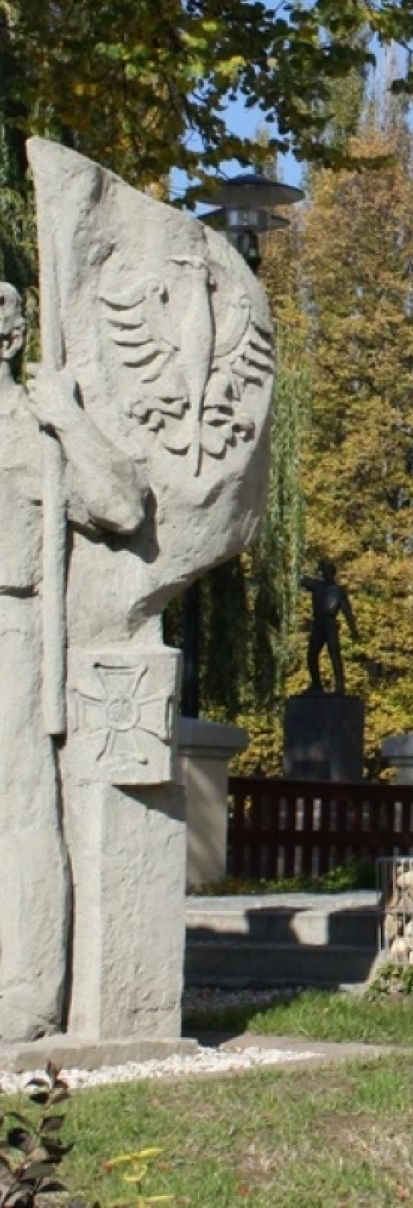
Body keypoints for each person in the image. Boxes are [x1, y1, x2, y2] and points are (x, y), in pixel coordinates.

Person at [0, 282, 145, 1041]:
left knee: (18, 808)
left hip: (10, 625)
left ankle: (24, 991)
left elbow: (122, 508)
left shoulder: (32, 428)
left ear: (7, 336)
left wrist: (66, 415)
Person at [301, 559, 358, 695]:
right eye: (323, 571)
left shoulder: (338, 591)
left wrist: (353, 629)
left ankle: (340, 685)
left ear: (332, 573)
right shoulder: (317, 586)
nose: (325, 574)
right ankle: (316, 684)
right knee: (311, 655)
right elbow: (301, 578)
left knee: (334, 654)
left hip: (330, 624)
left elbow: (347, 611)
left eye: (327, 571)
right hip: (318, 623)